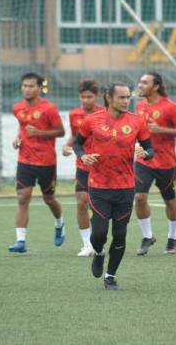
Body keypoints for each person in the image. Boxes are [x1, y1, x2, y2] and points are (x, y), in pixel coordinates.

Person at [73, 83, 154, 290]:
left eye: (128, 97)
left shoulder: (137, 121)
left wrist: (146, 153)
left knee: (120, 234)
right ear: (109, 98)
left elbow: (150, 148)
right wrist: (84, 156)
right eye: (121, 97)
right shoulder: (91, 120)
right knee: (99, 233)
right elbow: (77, 144)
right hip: (99, 186)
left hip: (125, 187)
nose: (126, 101)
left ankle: (110, 276)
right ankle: (99, 252)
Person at [8, 73, 65, 253]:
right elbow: (22, 127)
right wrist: (18, 138)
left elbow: (61, 132)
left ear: (39, 88)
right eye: (24, 85)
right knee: (23, 198)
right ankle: (20, 241)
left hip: (46, 161)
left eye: (31, 86)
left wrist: (39, 133)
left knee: (49, 199)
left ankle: (59, 223)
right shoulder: (17, 108)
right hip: (25, 159)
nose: (27, 89)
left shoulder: (49, 109)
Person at [133, 72, 176, 255]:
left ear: (155, 86)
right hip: (144, 160)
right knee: (139, 198)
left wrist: (161, 129)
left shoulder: (170, 106)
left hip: (166, 163)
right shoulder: (139, 105)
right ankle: (147, 236)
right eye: (140, 81)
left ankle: (173, 236)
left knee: (169, 200)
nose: (140, 85)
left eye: (144, 82)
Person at [62, 79, 104, 257]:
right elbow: (75, 137)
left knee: (98, 207)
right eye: (82, 97)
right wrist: (66, 146)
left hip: (103, 166)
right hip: (82, 163)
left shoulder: (104, 113)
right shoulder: (74, 114)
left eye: (90, 97)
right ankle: (87, 245)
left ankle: (98, 242)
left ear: (97, 97)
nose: (86, 100)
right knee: (81, 202)